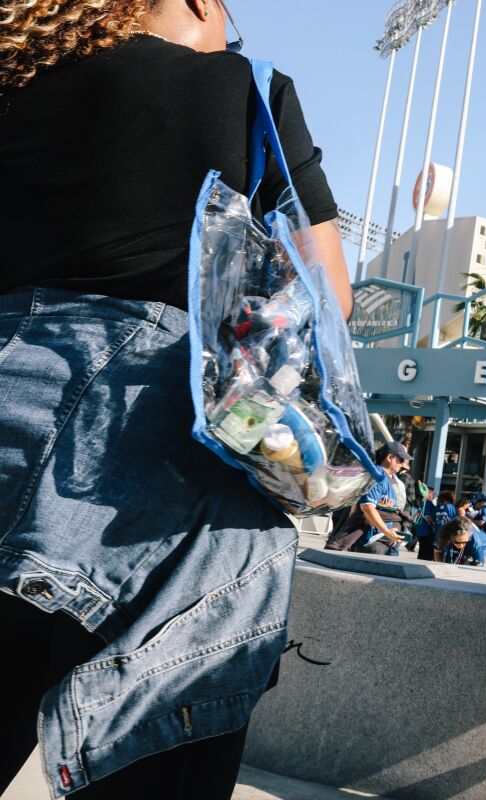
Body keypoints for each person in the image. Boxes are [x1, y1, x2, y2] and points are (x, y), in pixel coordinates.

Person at [0, 2, 352, 797]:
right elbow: (330, 299)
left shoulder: (16, 76)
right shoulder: (245, 89)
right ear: (198, 3)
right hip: (155, 463)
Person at [355, 443, 414, 556]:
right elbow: (367, 507)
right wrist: (386, 532)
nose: (402, 464)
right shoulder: (377, 475)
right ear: (390, 457)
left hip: (390, 541)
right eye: (401, 460)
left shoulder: (396, 480)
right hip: (375, 540)